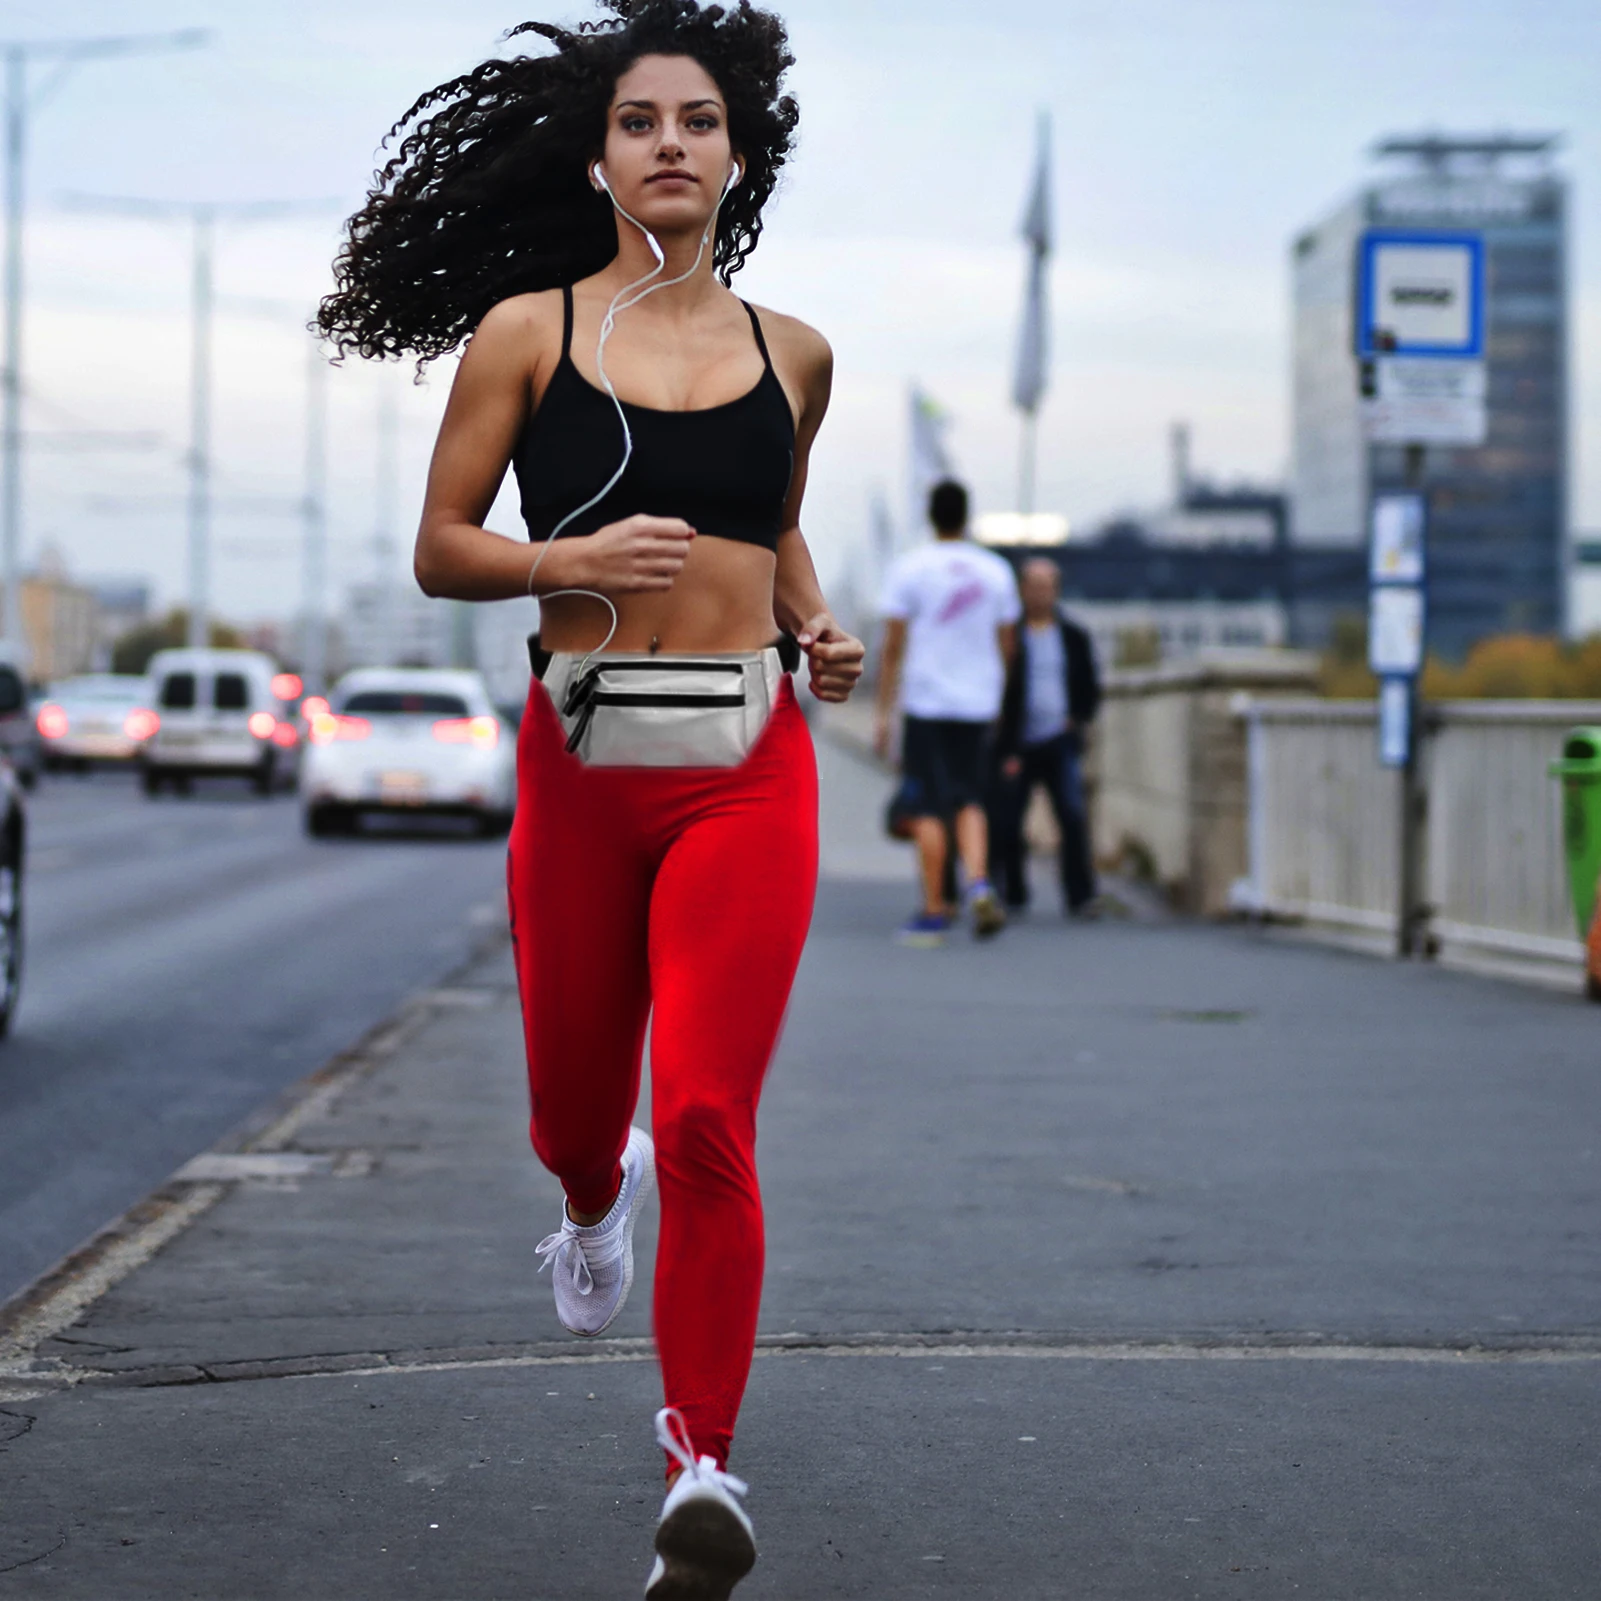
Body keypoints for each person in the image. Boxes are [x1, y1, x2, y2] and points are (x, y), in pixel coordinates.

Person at [317, 6, 864, 1596]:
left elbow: (774, 531)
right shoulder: (528, 334)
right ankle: (585, 1197)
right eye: (642, 122)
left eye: (698, 120)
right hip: (583, 759)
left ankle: (701, 1460)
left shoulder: (796, 353)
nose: (671, 143)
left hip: (746, 769)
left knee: (703, 1109)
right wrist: (567, 558)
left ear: (737, 154)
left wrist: (813, 630)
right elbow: (440, 545)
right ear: (601, 155)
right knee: (580, 1111)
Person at [874, 479, 1020, 945]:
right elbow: (1008, 646)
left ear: (931, 515)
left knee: (929, 805)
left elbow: (893, 645)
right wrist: (996, 696)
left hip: (928, 701)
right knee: (970, 799)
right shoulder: (995, 571)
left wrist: (883, 711)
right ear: (966, 514)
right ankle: (978, 882)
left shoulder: (910, 568)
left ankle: (935, 910)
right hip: (978, 703)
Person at [991, 556, 1102, 915]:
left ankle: (1080, 894)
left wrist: (1077, 718)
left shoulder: (1073, 635)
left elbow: (1089, 684)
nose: (1041, 594)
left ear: (1056, 591)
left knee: (1071, 816)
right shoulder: (1009, 634)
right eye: (1034, 586)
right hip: (1018, 742)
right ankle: (1012, 891)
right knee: (1008, 819)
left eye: (1047, 587)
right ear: (1023, 590)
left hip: (1060, 739)